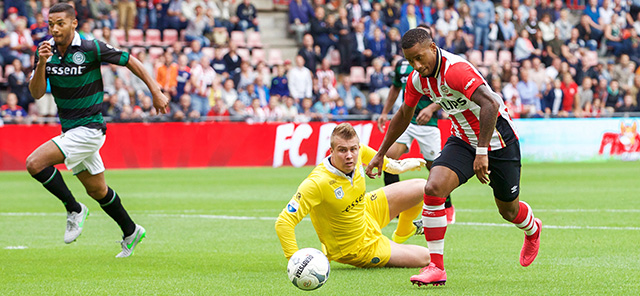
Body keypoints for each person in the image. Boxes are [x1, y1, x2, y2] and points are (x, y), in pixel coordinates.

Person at [366, 28, 541, 286]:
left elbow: (490, 104)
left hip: (498, 140)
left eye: (419, 57)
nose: (416, 65)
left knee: (508, 210)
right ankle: (436, 267)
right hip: (462, 140)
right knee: (434, 187)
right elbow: (404, 113)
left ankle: (533, 229)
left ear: (433, 47)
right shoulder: (417, 79)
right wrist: (381, 153)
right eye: (410, 60)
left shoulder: (456, 70)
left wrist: (482, 151)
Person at [26, 3, 169, 258]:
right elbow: (36, 93)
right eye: (51, 24)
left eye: (60, 23)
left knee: (34, 163)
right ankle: (131, 230)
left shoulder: (91, 48)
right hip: (70, 130)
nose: (55, 29)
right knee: (97, 190)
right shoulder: (46, 52)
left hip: (89, 129)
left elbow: (129, 60)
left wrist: (155, 91)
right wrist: (41, 62)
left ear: (74, 23)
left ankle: (74, 209)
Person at [275, 123, 431, 268]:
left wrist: (403, 166)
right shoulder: (317, 183)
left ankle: (403, 232)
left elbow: (386, 164)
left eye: (353, 149)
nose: (349, 155)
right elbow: (284, 223)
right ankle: (389, 246)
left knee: (422, 187)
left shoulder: (359, 151)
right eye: (342, 150)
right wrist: (294, 262)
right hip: (354, 246)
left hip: (366, 211)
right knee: (426, 257)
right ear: (332, 151)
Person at [377, 52, 455, 234]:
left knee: (435, 167)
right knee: (390, 160)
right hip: (407, 120)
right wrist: (384, 112)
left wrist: (431, 107)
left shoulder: (435, 65)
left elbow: (447, 93)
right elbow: (395, 89)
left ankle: (448, 207)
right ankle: (393, 207)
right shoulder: (400, 66)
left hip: (427, 123)